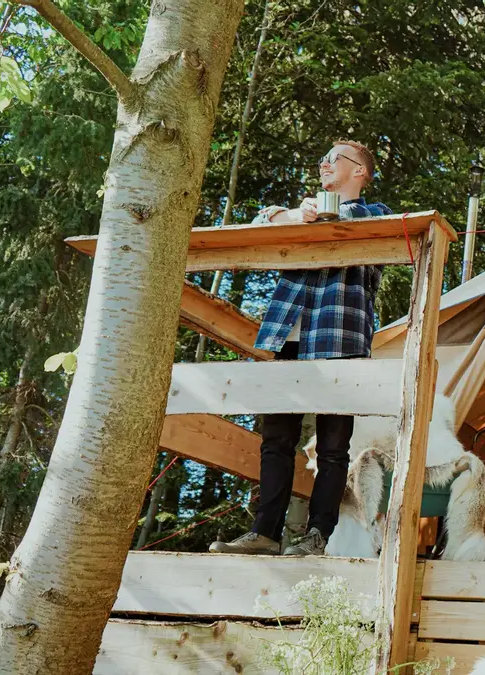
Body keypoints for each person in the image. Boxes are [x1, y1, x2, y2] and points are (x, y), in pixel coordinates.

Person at [210, 140, 393, 556]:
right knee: (276, 439)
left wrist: (308, 214)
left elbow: (358, 217)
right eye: (323, 158)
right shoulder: (301, 215)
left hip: (338, 338)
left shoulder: (373, 213)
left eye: (335, 158)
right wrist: (289, 214)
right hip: (288, 338)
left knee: (333, 447)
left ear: (360, 172)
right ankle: (265, 533)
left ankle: (317, 536)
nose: (324, 163)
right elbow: (260, 222)